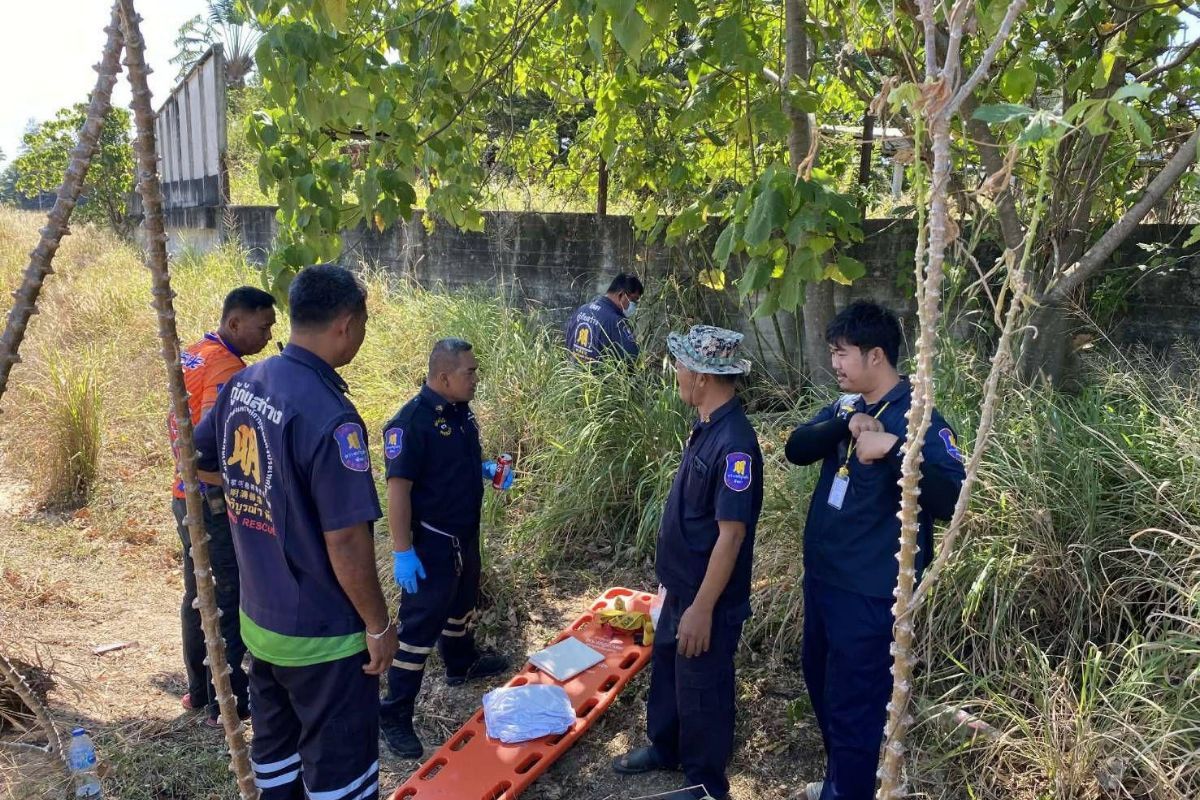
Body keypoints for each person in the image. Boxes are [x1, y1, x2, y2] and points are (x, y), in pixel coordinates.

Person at [194, 264, 396, 800]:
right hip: (323, 639)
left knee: (277, 768)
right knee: (340, 781)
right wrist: (378, 625)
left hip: (260, 623)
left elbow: (198, 454)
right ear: (347, 325)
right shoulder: (331, 416)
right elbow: (347, 540)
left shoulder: (243, 383)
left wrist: (244, 504)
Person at [784, 302, 965, 800]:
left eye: (842, 353)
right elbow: (796, 448)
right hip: (824, 583)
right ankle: (842, 779)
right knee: (821, 686)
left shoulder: (919, 417)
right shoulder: (849, 406)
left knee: (855, 707)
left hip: (868, 596)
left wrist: (895, 454)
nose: (834, 363)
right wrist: (845, 428)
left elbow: (955, 498)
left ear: (877, 355)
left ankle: (852, 789)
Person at [613, 325, 762, 800]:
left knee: (703, 689)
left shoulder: (735, 445)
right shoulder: (706, 423)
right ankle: (666, 747)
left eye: (681, 365)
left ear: (701, 376)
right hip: (679, 588)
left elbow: (731, 536)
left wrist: (701, 608)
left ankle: (705, 785)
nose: (676, 372)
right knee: (670, 674)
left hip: (707, 600)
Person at [379, 338, 514, 759]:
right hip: (431, 544)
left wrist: (485, 470)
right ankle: (395, 711)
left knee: (462, 606)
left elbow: (453, 465)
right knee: (417, 630)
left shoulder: (460, 413)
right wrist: (403, 551)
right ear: (443, 377)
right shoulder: (410, 423)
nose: (476, 378)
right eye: (469, 372)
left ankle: (461, 662)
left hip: (464, 534)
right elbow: (398, 491)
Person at [169, 285, 276, 728]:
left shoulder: (194, 352)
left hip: (185, 494)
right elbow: (211, 441)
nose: (269, 336)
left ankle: (199, 692)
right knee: (225, 597)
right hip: (210, 499)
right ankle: (225, 703)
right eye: (264, 326)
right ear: (234, 323)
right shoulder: (226, 368)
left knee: (199, 593)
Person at [564, 273, 643, 362]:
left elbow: (567, 341)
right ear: (621, 295)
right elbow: (632, 359)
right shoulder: (616, 322)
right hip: (598, 375)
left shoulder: (582, 310)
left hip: (571, 373)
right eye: (633, 300)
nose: (634, 306)